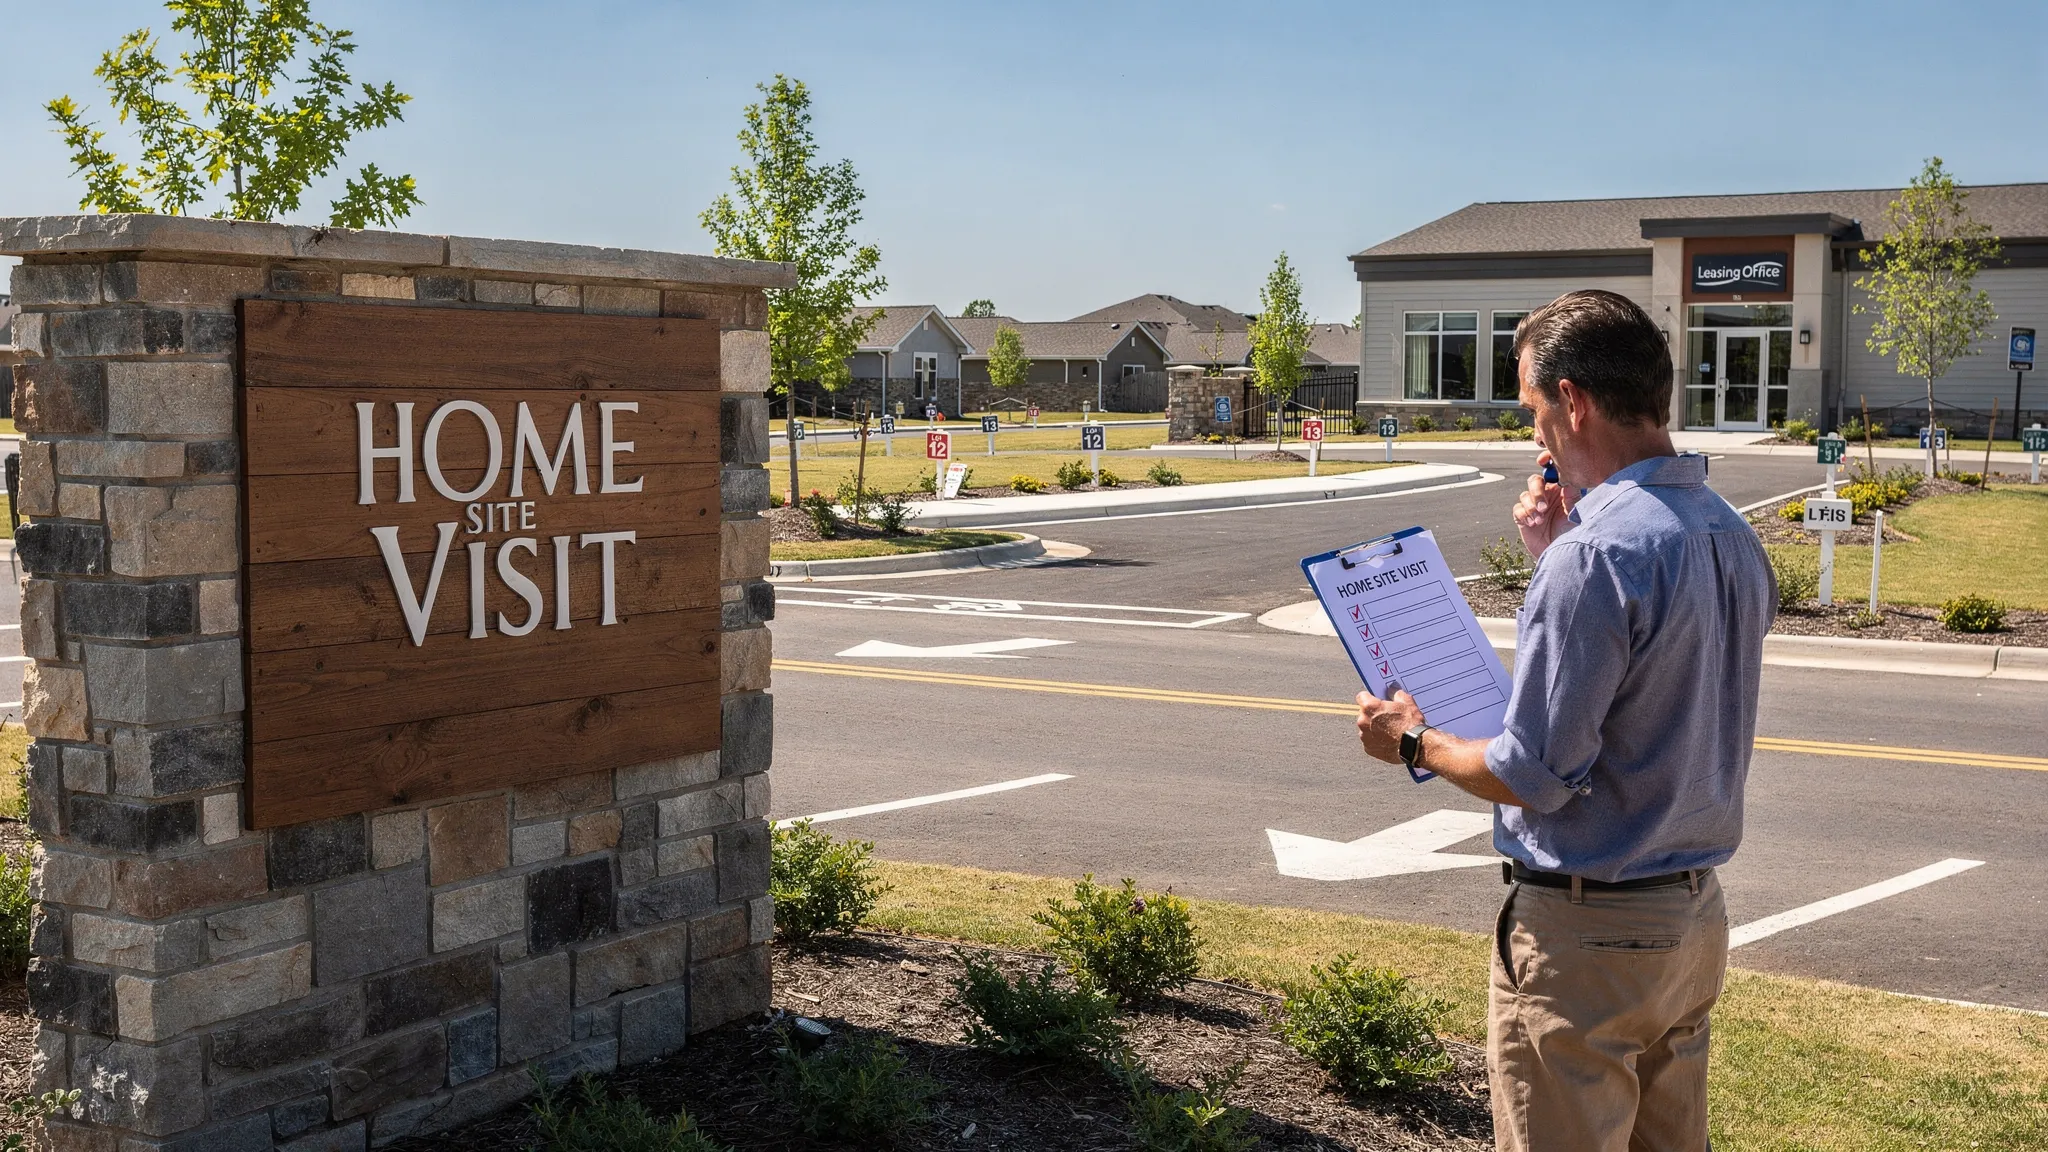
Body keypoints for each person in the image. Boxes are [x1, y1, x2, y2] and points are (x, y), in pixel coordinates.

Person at [1354, 289, 1775, 1152]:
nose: (1534, 431)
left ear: (1575, 399)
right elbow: (1653, 678)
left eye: (1535, 407)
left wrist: (1411, 738)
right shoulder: (1728, 531)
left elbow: (1533, 774)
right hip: (1691, 925)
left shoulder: (1596, 557)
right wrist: (1551, 556)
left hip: (1588, 938)